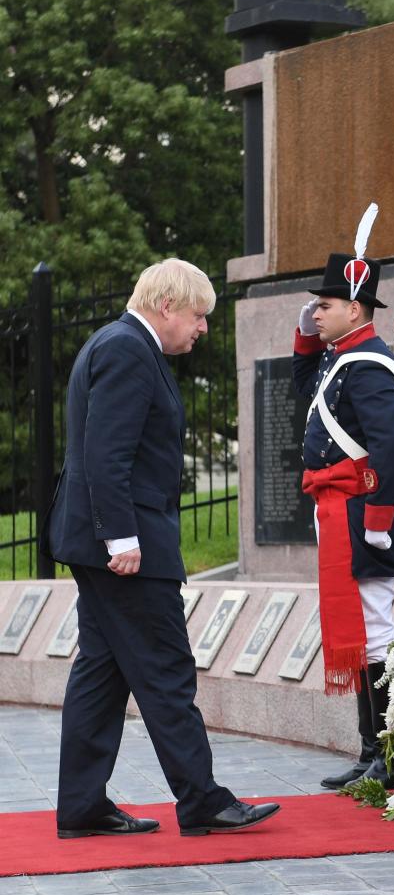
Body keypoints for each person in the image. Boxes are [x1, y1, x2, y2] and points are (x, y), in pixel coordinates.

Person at [41, 258, 280, 838]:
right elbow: (106, 454)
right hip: (126, 548)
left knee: (101, 673)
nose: (202, 328)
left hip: (105, 542)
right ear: (167, 305)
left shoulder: (117, 343)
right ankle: (201, 799)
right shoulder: (127, 349)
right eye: (198, 316)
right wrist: (119, 537)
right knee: (166, 668)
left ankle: (81, 805)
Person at [292, 204, 394, 790]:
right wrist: (303, 336)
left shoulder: (367, 366)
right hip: (340, 511)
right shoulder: (339, 359)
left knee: (376, 630)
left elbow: (388, 450)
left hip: (366, 513)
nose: (316, 312)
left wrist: (379, 520)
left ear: (356, 309)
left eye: (325, 305)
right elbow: (305, 395)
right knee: (364, 633)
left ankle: (389, 754)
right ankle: (372, 749)